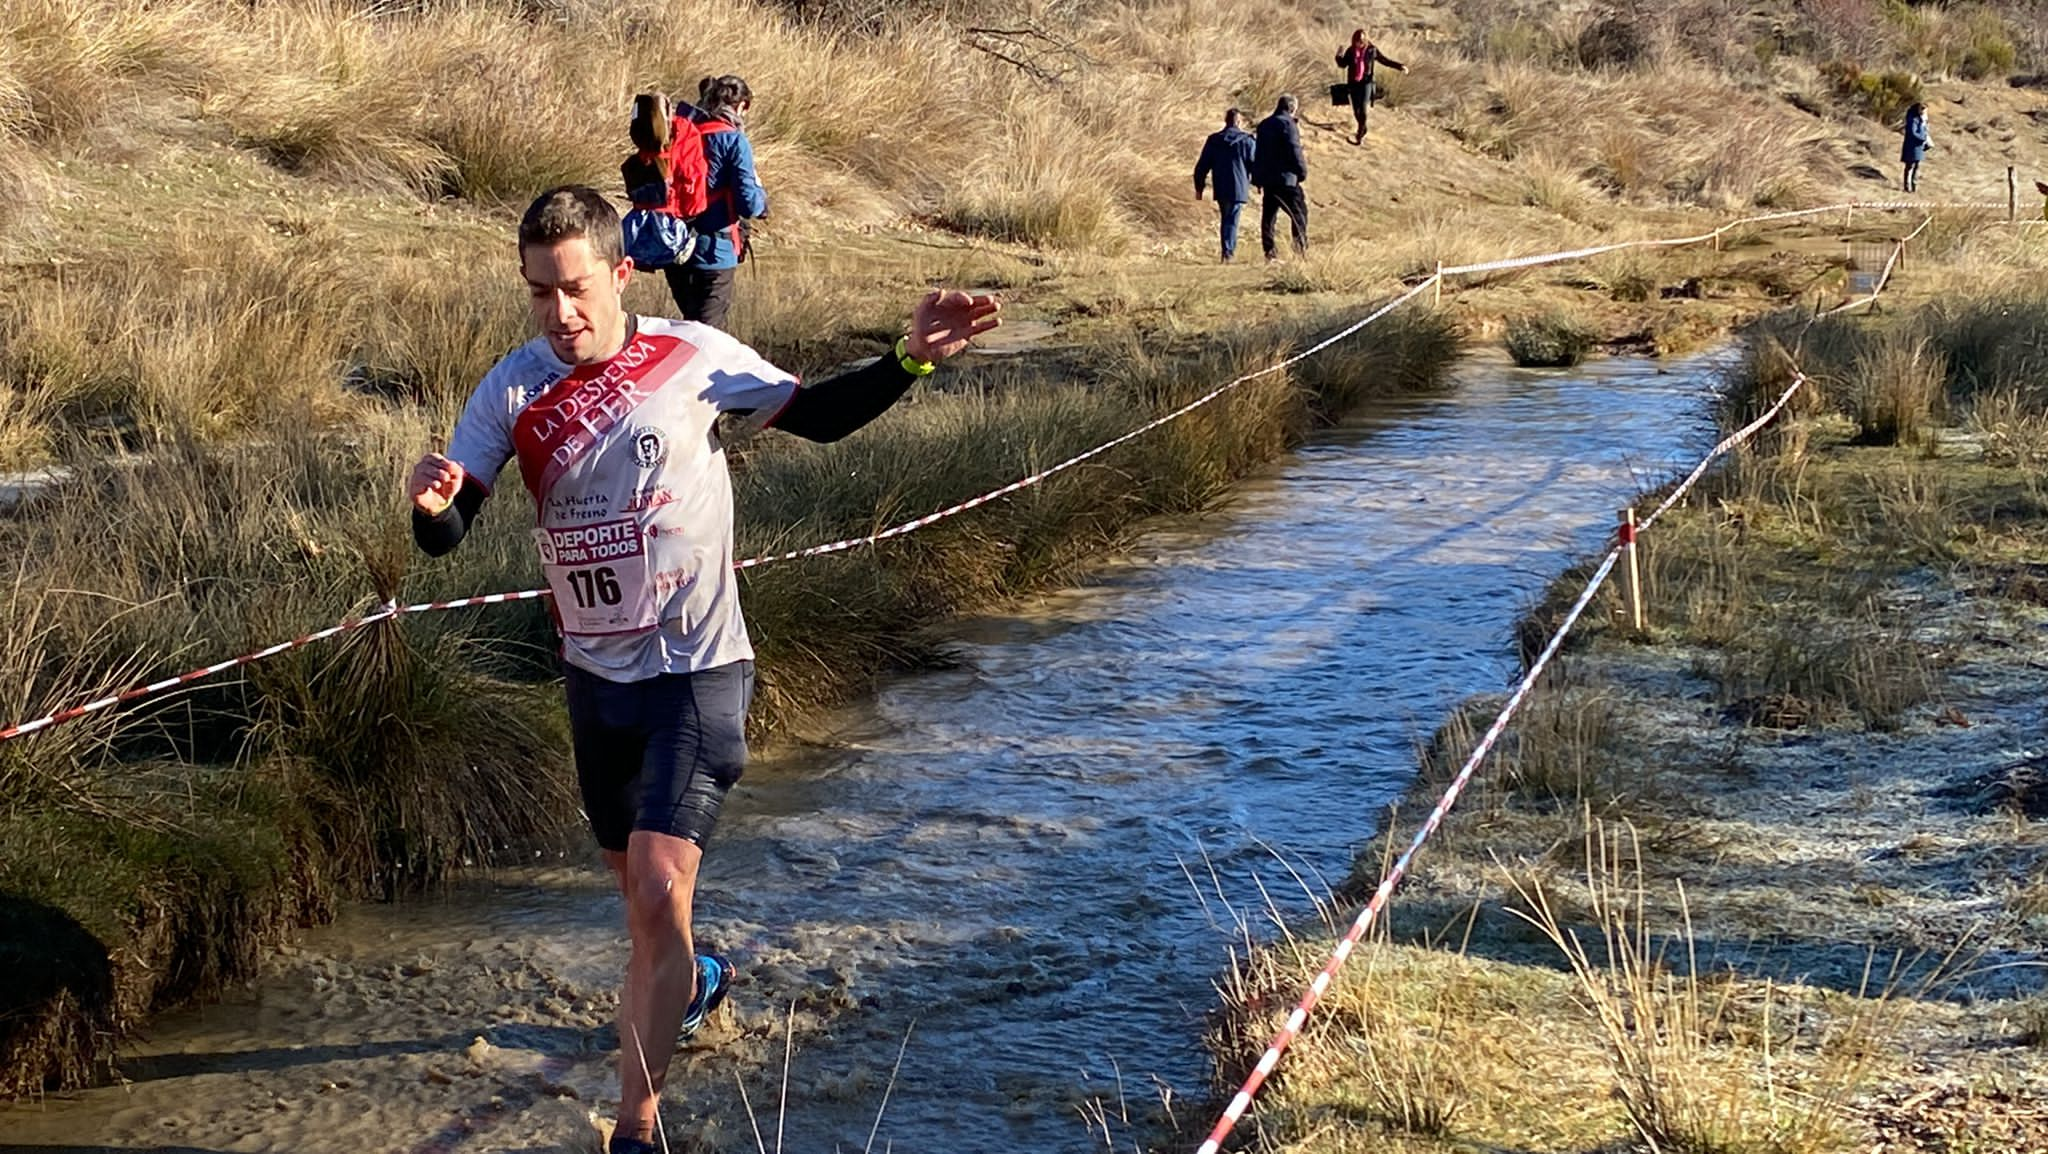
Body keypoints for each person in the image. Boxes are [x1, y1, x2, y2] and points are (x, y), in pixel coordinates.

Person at [406, 186, 999, 1154]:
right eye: (539, 294)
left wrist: (906, 361)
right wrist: (431, 507)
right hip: (595, 683)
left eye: (576, 288)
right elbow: (452, 523)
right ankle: (701, 980)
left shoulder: (691, 355)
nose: (560, 314)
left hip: (697, 668)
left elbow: (815, 415)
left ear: (618, 272)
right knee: (650, 913)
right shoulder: (511, 390)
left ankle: (635, 1129)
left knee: (651, 886)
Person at [669, 75, 767, 330]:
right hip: (715, 252)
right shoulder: (734, 141)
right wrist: (762, 202)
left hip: (675, 248)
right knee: (708, 338)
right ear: (741, 106)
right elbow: (749, 205)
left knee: (691, 328)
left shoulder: (678, 133)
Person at [1193, 107, 1258, 262]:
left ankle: (1226, 250)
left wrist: (1199, 187)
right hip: (1239, 185)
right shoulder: (1247, 141)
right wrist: (1258, 183)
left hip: (1221, 185)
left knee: (1225, 217)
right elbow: (1255, 164)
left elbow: (1202, 166)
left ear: (1226, 121)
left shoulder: (1214, 140)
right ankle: (1228, 252)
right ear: (1239, 122)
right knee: (1233, 219)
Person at [1253, 94, 1309, 261]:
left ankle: (1270, 252)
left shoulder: (1264, 125)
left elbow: (1259, 153)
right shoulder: (1288, 124)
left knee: (1269, 217)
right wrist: (1302, 171)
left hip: (1268, 179)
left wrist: (1257, 176)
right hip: (1287, 179)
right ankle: (1300, 250)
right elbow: (1294, 149)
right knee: (1299, 214)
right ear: (1291, 108)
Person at [1335, 29, 1405, 146]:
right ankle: (1363, 128)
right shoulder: (1351, 51)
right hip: (1353, 83)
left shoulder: (1372, 50)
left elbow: (1385, 60)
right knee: (1356, 110)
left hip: (1366, 83)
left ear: (1365, 40)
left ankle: (1359, 135)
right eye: (1357, 41)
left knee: (1362, 109)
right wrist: (1338, 56)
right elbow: (1343, 64)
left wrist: (1400, 66)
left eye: (1362, 41)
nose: (1359, 43)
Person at [1900, 102, 1929, 193]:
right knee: (1910, 166)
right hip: (1912, 146)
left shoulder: (1923, 119)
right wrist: (1923, 138)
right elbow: (1913, 132)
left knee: (1917, 166)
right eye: (1922, 108)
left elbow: (1925, 131)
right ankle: (1907, 186)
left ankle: (1914, 186)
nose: (1923, 111)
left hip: (1919, 147)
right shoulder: (1913, 119)